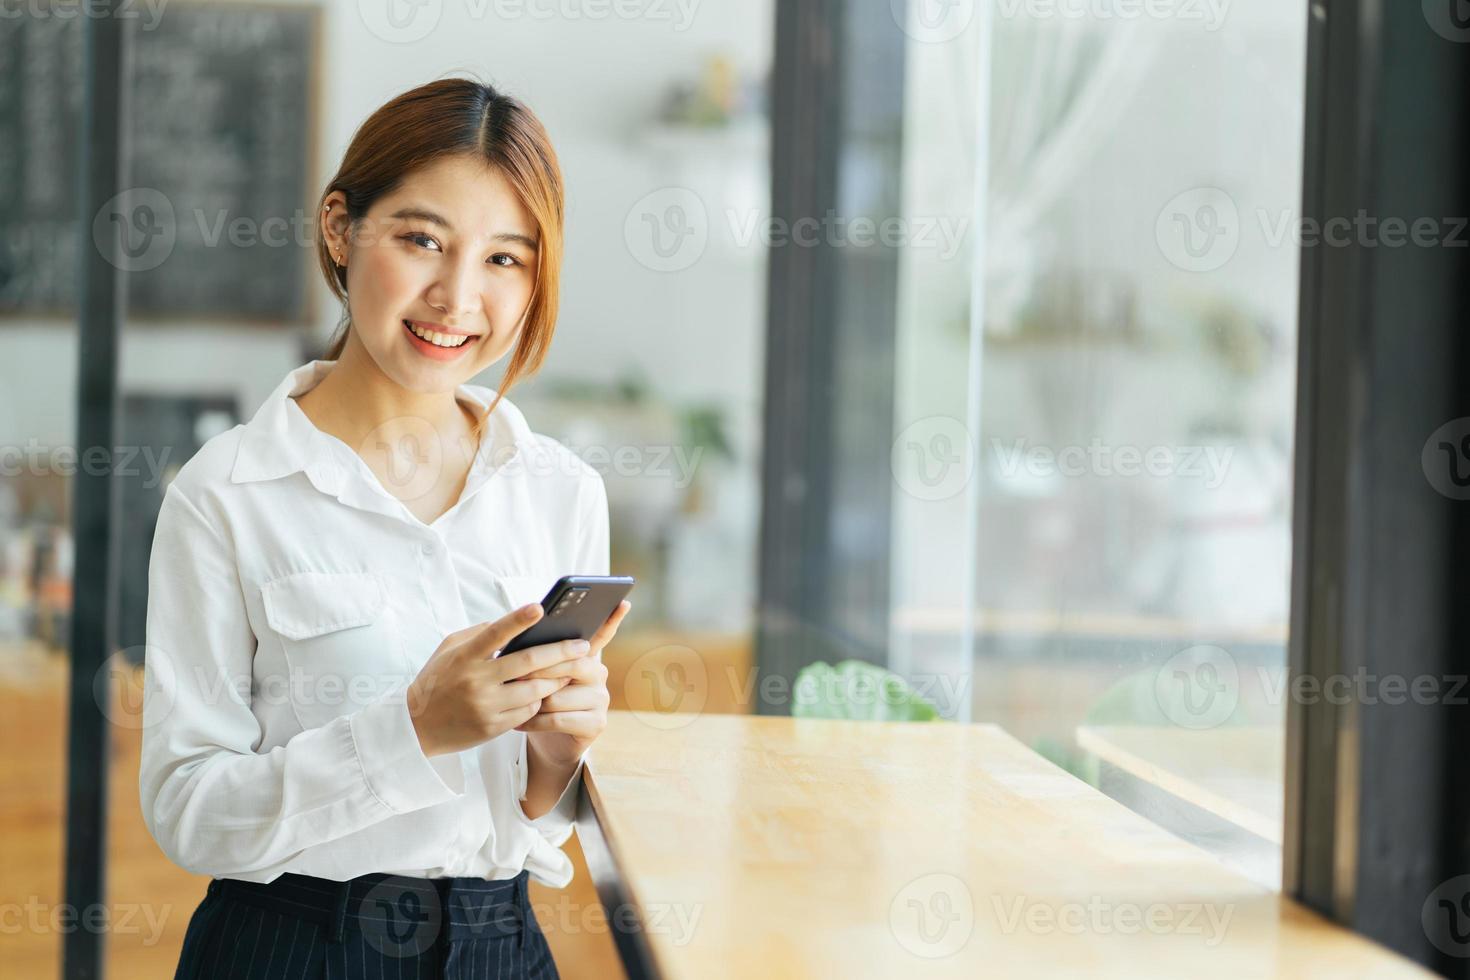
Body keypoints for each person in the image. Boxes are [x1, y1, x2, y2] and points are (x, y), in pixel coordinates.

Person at [139, 76, 630, 979]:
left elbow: (528, 820)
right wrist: (411, 731)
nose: (456, 297)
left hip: (502, 946)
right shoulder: (227, 493)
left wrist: (556, 759)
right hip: (292, 947)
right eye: (421, 240)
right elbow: (189, 809)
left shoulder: (560, 490)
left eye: (504, 259)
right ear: (339, 227)